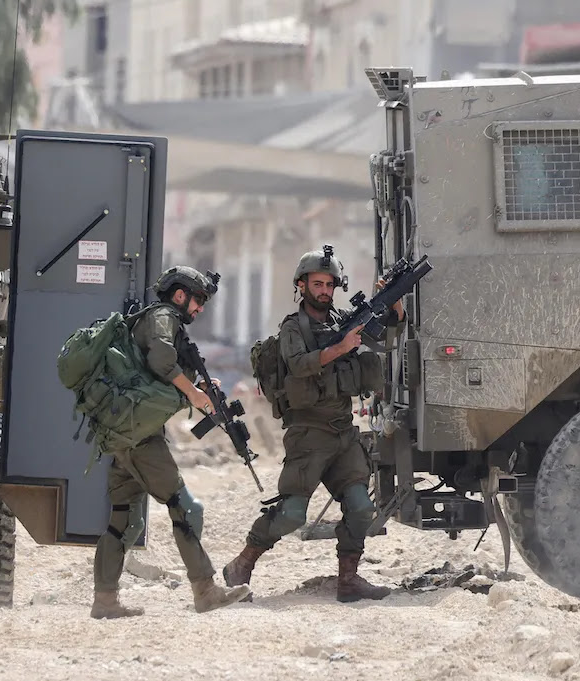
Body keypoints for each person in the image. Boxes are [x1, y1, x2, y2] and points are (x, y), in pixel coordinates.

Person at [223, 245, 403, 603]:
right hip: (308, 434)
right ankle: (241, 564)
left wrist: (393, 303)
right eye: (317, 284)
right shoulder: (294, 327)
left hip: (341, 431)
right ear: (302, 286)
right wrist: (339, 349)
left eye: (329, 285)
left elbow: (386, 336)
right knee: (291, 514)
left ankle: (348, 581)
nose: (323, 290)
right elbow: (299, 364)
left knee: (361, 507)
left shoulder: (341, 322)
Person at [90, 266, 252, 619]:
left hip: (126, 432)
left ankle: (104, 601)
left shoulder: (156, 319)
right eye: (198, 301)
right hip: (139, 435)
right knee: (185, 507)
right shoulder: (164, 316)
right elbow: (161, 358)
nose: (200, 309)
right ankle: (205, 590)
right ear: (180, 295)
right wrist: (193, 393)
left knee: (124, 520)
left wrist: (200, 390)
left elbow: (159, 372)